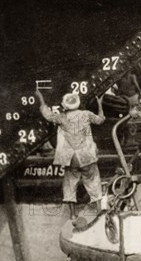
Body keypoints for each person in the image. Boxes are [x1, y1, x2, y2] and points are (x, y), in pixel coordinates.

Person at [36, 90, 105, 225]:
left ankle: (73, 215)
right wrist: (100, 104)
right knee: (93, 181)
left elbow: (47, 115)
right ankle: (99, 212)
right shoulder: (87, 115)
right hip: (86, 156)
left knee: (69, 184)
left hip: (71, 158)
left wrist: (41, 98)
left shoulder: (61, 118)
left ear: (65, 105)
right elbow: (101, 120)